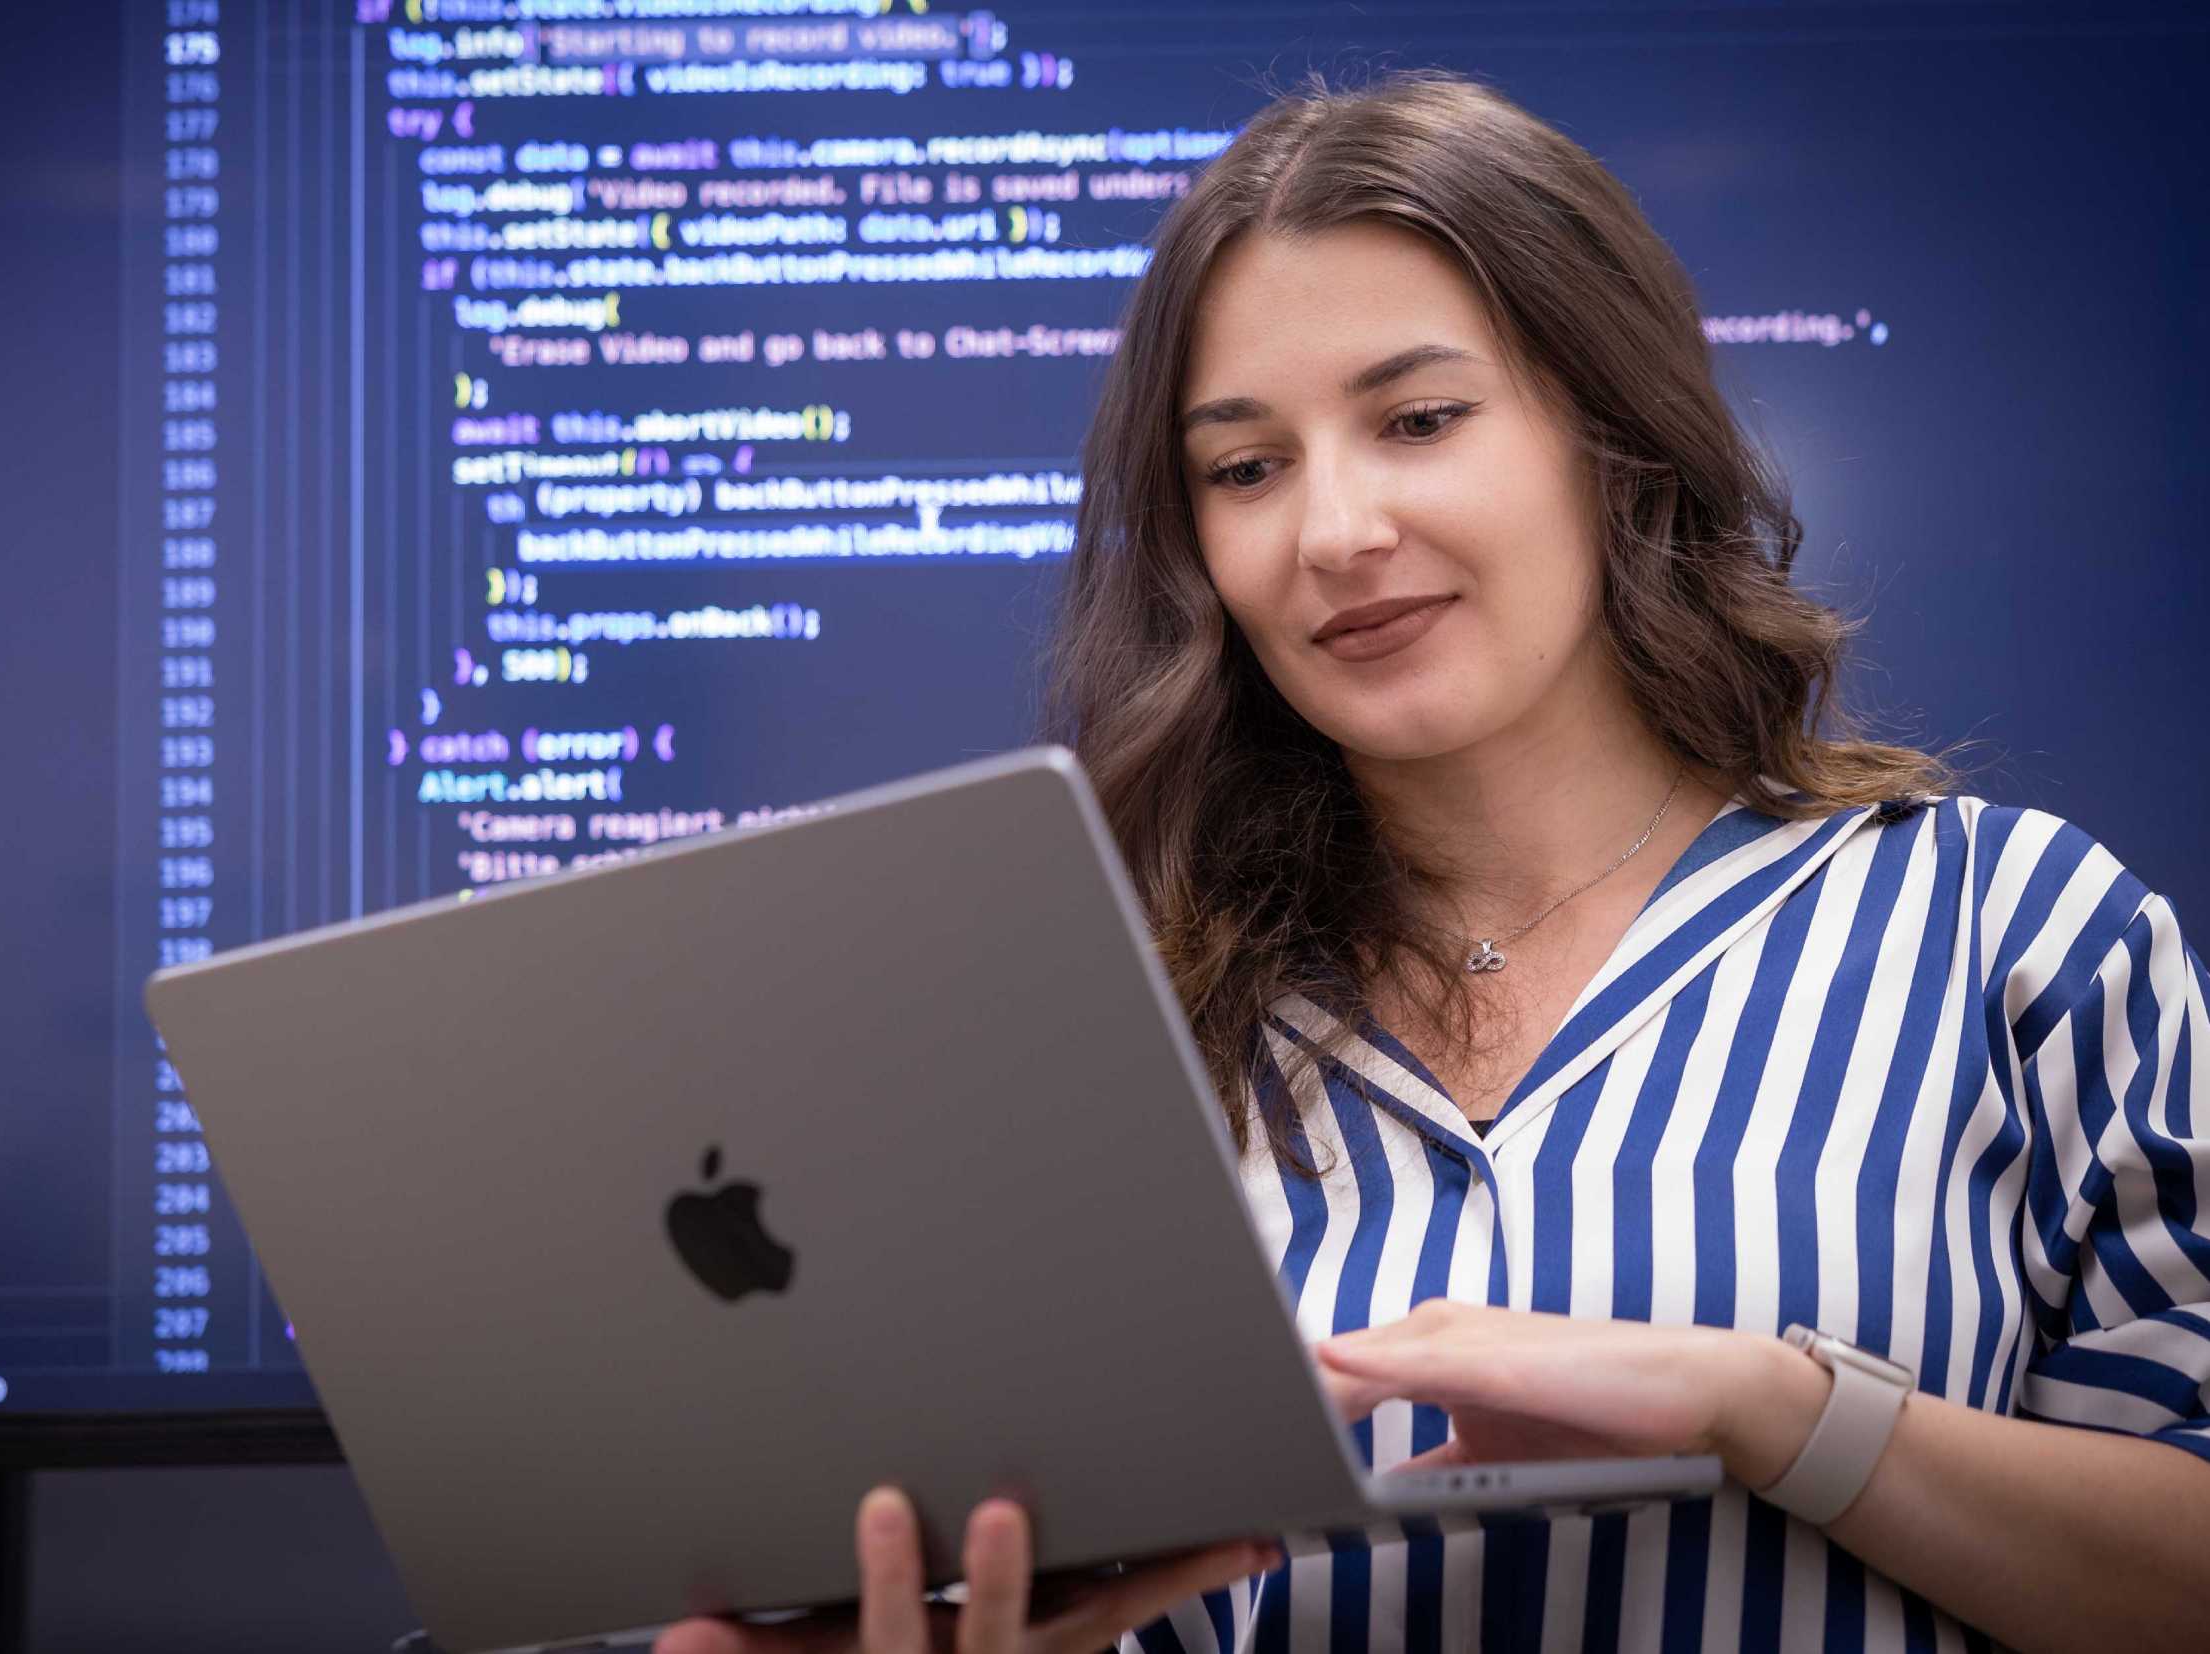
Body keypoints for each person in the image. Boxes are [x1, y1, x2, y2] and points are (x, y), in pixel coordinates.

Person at [657, 71, 2210, 1654]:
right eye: (1245, 469)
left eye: (1419, 420)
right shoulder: (1107, 1033)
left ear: (1613, 436)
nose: (1334, 530)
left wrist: (1771, 1408)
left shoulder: (2015, 930)